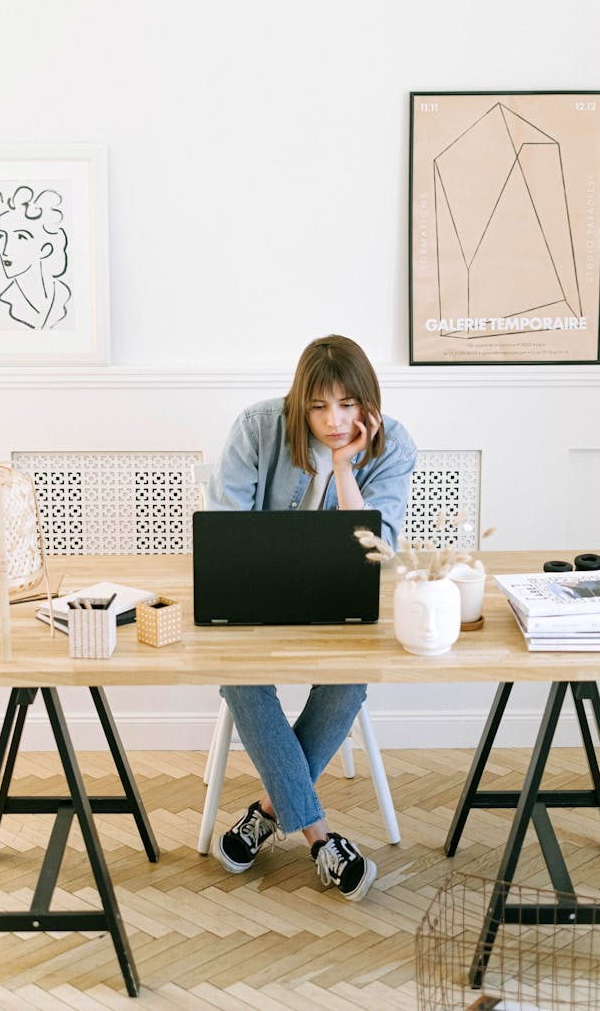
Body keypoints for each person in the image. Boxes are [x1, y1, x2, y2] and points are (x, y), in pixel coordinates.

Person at [207, 334, 416, 901]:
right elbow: (224, 531)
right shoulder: (256, 428)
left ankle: (269, 812)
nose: (333, 421)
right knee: (242, 680)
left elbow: (377, 552)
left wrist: (346, 469)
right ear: (300, 401)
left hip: (339, 606)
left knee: (349, 682)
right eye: (319, 406)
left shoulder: (392, 445)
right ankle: (322, 839)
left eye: (348, 406)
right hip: (256, 601)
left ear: (367, 402)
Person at [0, 185, 71, 330]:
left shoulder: (69, 299)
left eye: (21, 237)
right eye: (1, 236)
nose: (6, 249)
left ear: (45, 249)